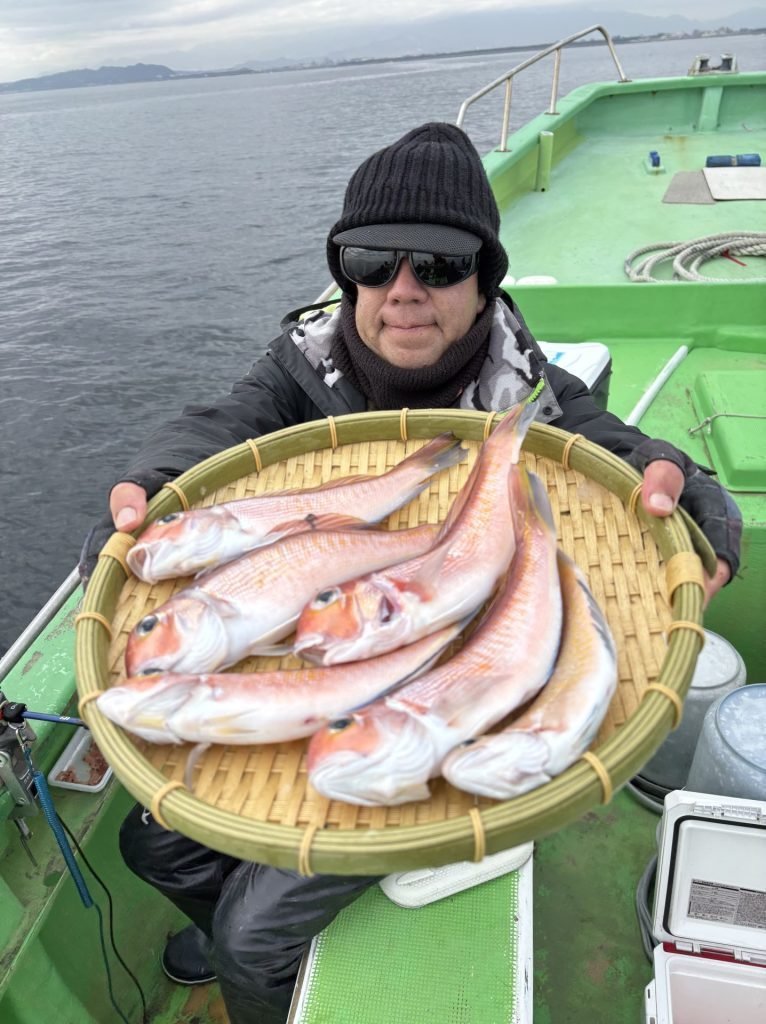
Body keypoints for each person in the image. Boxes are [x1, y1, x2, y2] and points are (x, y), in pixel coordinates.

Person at [79, 123, 741, 1024]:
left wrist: (693, 491)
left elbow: (614, 445)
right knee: (152, 847)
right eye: (372, 262)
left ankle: (267, 955)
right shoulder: (300, 366)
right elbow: (217, 428)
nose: (402, 290)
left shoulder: (525, 388)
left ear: (484, 281)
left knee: (248, 939)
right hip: (347, 685)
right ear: (346, 272)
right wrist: (148, 487)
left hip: (419, 733)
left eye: (439, 265)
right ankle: (256, 913)